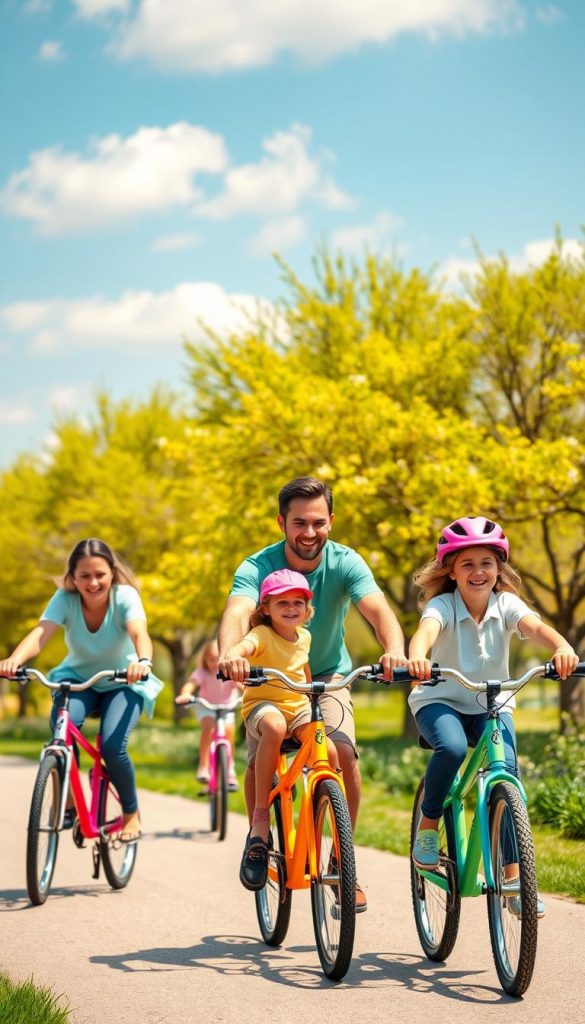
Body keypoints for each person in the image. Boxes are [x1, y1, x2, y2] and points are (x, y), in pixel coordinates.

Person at [218, 475, 406, 911]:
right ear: (282, 522)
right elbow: (238, 610)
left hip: (327, 677)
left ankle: (343, 862)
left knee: (343, 754)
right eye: (299, 522)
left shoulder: (346, 562)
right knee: (262, 749)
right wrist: (231, 654)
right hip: (267, 680)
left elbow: (378, 610)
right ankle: (259, 832)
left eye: (318, 522)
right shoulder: (256, 566)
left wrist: (394, 650)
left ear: (331, 521)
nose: (309, 532)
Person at [406, 515, 579, 917]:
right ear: (450, 570)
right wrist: (416, 659)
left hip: (491, 703)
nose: (478, 572)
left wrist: (562, 646)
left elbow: (536, 628)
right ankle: (429, 827)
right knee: (449, 749)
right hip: (441, 699)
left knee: (507, 774)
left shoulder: (507, 604)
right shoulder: (442, 604)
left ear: (498, 567)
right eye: (467, 564)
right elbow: (426, 633)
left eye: (486, 562)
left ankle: (515, 878)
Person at [0, 538, 164, 843]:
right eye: (84, 576)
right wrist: (14, 660)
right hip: (77, 681)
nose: (93, 582)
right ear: (73, 578)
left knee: (114, 747)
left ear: (112, 573)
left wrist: (142, 662)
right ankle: (70, 802)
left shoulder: (125, 596)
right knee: (62, 731)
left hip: (123, 681)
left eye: (100, 574)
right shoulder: (64, 599)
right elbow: (40, 634)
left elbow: (139, 632)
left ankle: (130, 814)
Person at [223, 568, 338, 890]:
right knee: (273, 727)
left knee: (327, 750)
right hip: (264, 706)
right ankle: (260, 821)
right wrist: (233, 658)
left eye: (297, 603)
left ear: (307, 608)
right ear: (265, 609)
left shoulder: (305, 636)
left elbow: (302, 669)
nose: (290, 609)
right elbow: (240, 648)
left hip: (297, 705)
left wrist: (313, 690)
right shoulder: (261, 635)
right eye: (282, 603)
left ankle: (320, 823)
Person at [175, 639, 240, 791]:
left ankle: (230, 769)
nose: (215, 663)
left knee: (229, 733)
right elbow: (190, 684)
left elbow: (241, 685)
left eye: (218, 659)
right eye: (211, 659)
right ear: (205, 660)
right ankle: (204, 766)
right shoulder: (201, 673)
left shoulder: (230, 672)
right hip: (207, 707)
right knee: (209, 728)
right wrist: (185, 694)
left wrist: (248, 691)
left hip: (227, 707)